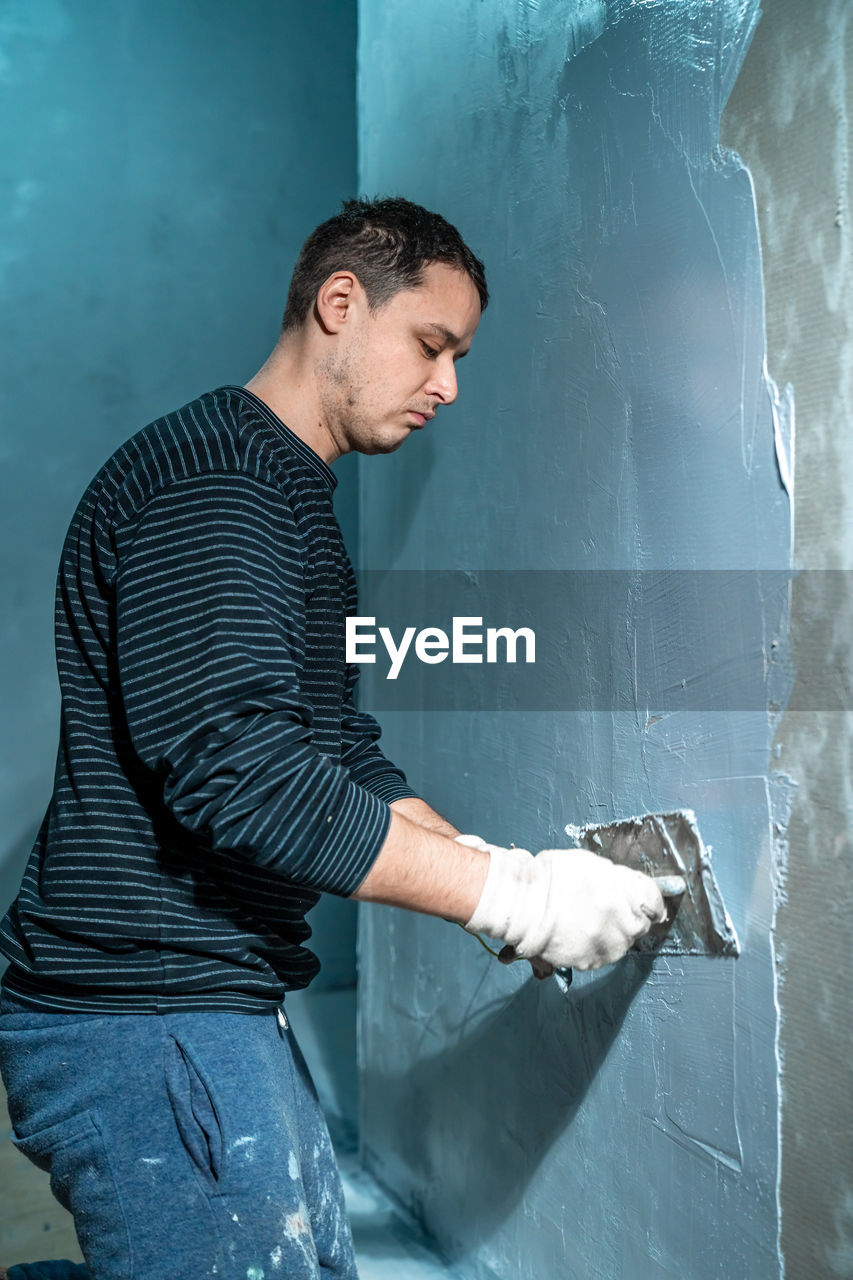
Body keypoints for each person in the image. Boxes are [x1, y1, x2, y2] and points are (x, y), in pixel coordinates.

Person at [0, 197, 665, 1279]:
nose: (449, 384)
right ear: (340, 303)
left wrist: (495, 869)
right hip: (145, 1014)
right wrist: (520, 900)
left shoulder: (284, 491)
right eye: (431, 344)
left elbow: (328, 748)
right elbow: (241, 777)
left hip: (210, 1002)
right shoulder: (216, 482)